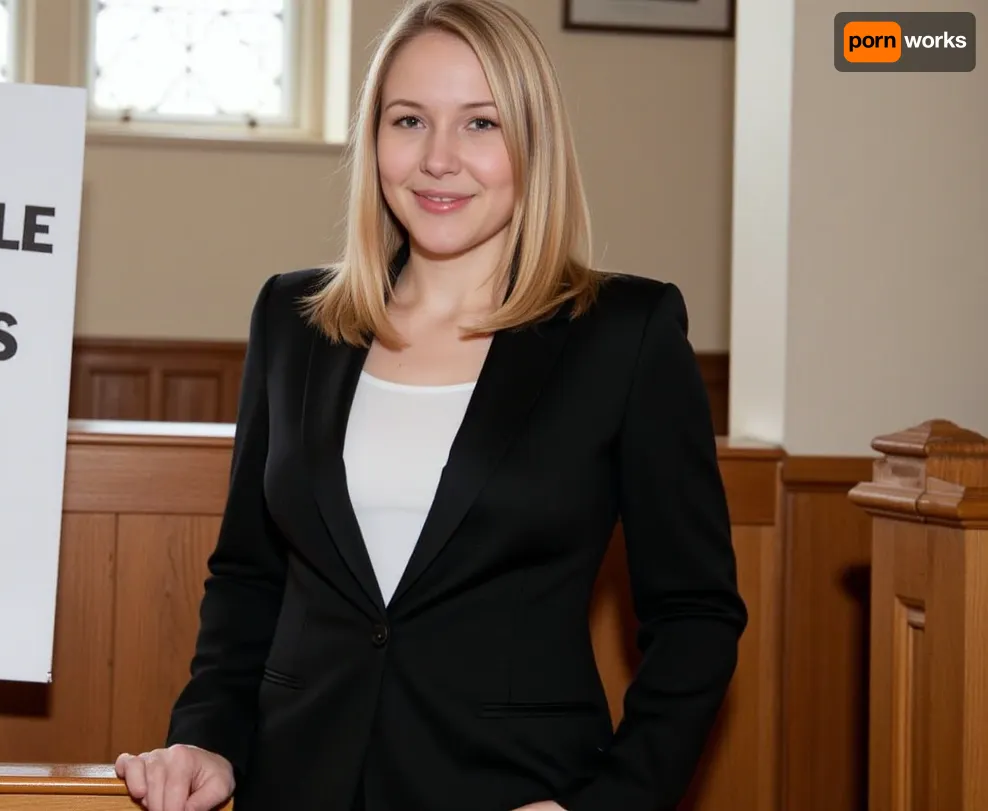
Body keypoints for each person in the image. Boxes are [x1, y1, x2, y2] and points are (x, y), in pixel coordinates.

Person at [114, 1, 748, 809]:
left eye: (480, 124)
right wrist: (206, 732)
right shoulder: (291, 318)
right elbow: (248, 575)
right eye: (409, 120)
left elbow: (695, 614)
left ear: (532, 143)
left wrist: (611, 802)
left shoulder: (625, 334)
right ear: (374, 138)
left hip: (517, 788)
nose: (438, 159)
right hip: (295, 782)